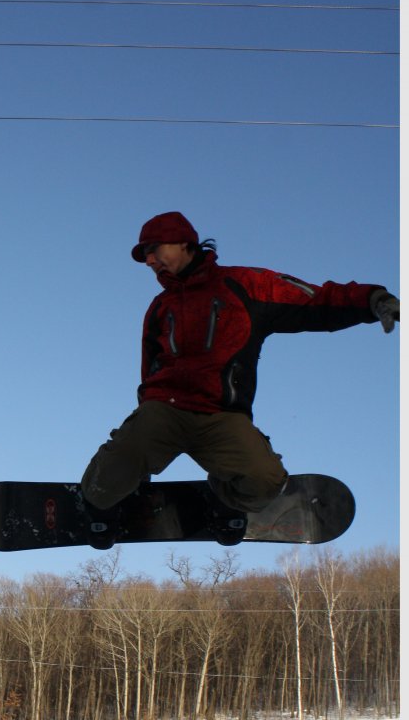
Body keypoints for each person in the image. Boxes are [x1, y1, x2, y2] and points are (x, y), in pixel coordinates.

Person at [81, 211, 399, 547]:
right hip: (165, 410)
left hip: (221, 415)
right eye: (145, 256)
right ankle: (100, 506)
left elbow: (313, 299)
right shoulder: (161, 307)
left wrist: (371, 300)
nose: (149, 260)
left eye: (153, 249)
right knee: (116, 466)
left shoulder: (246, 285)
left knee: (265, 481)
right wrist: (140, 445)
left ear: (184, 241)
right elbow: (150, 370)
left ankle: (224, 500)